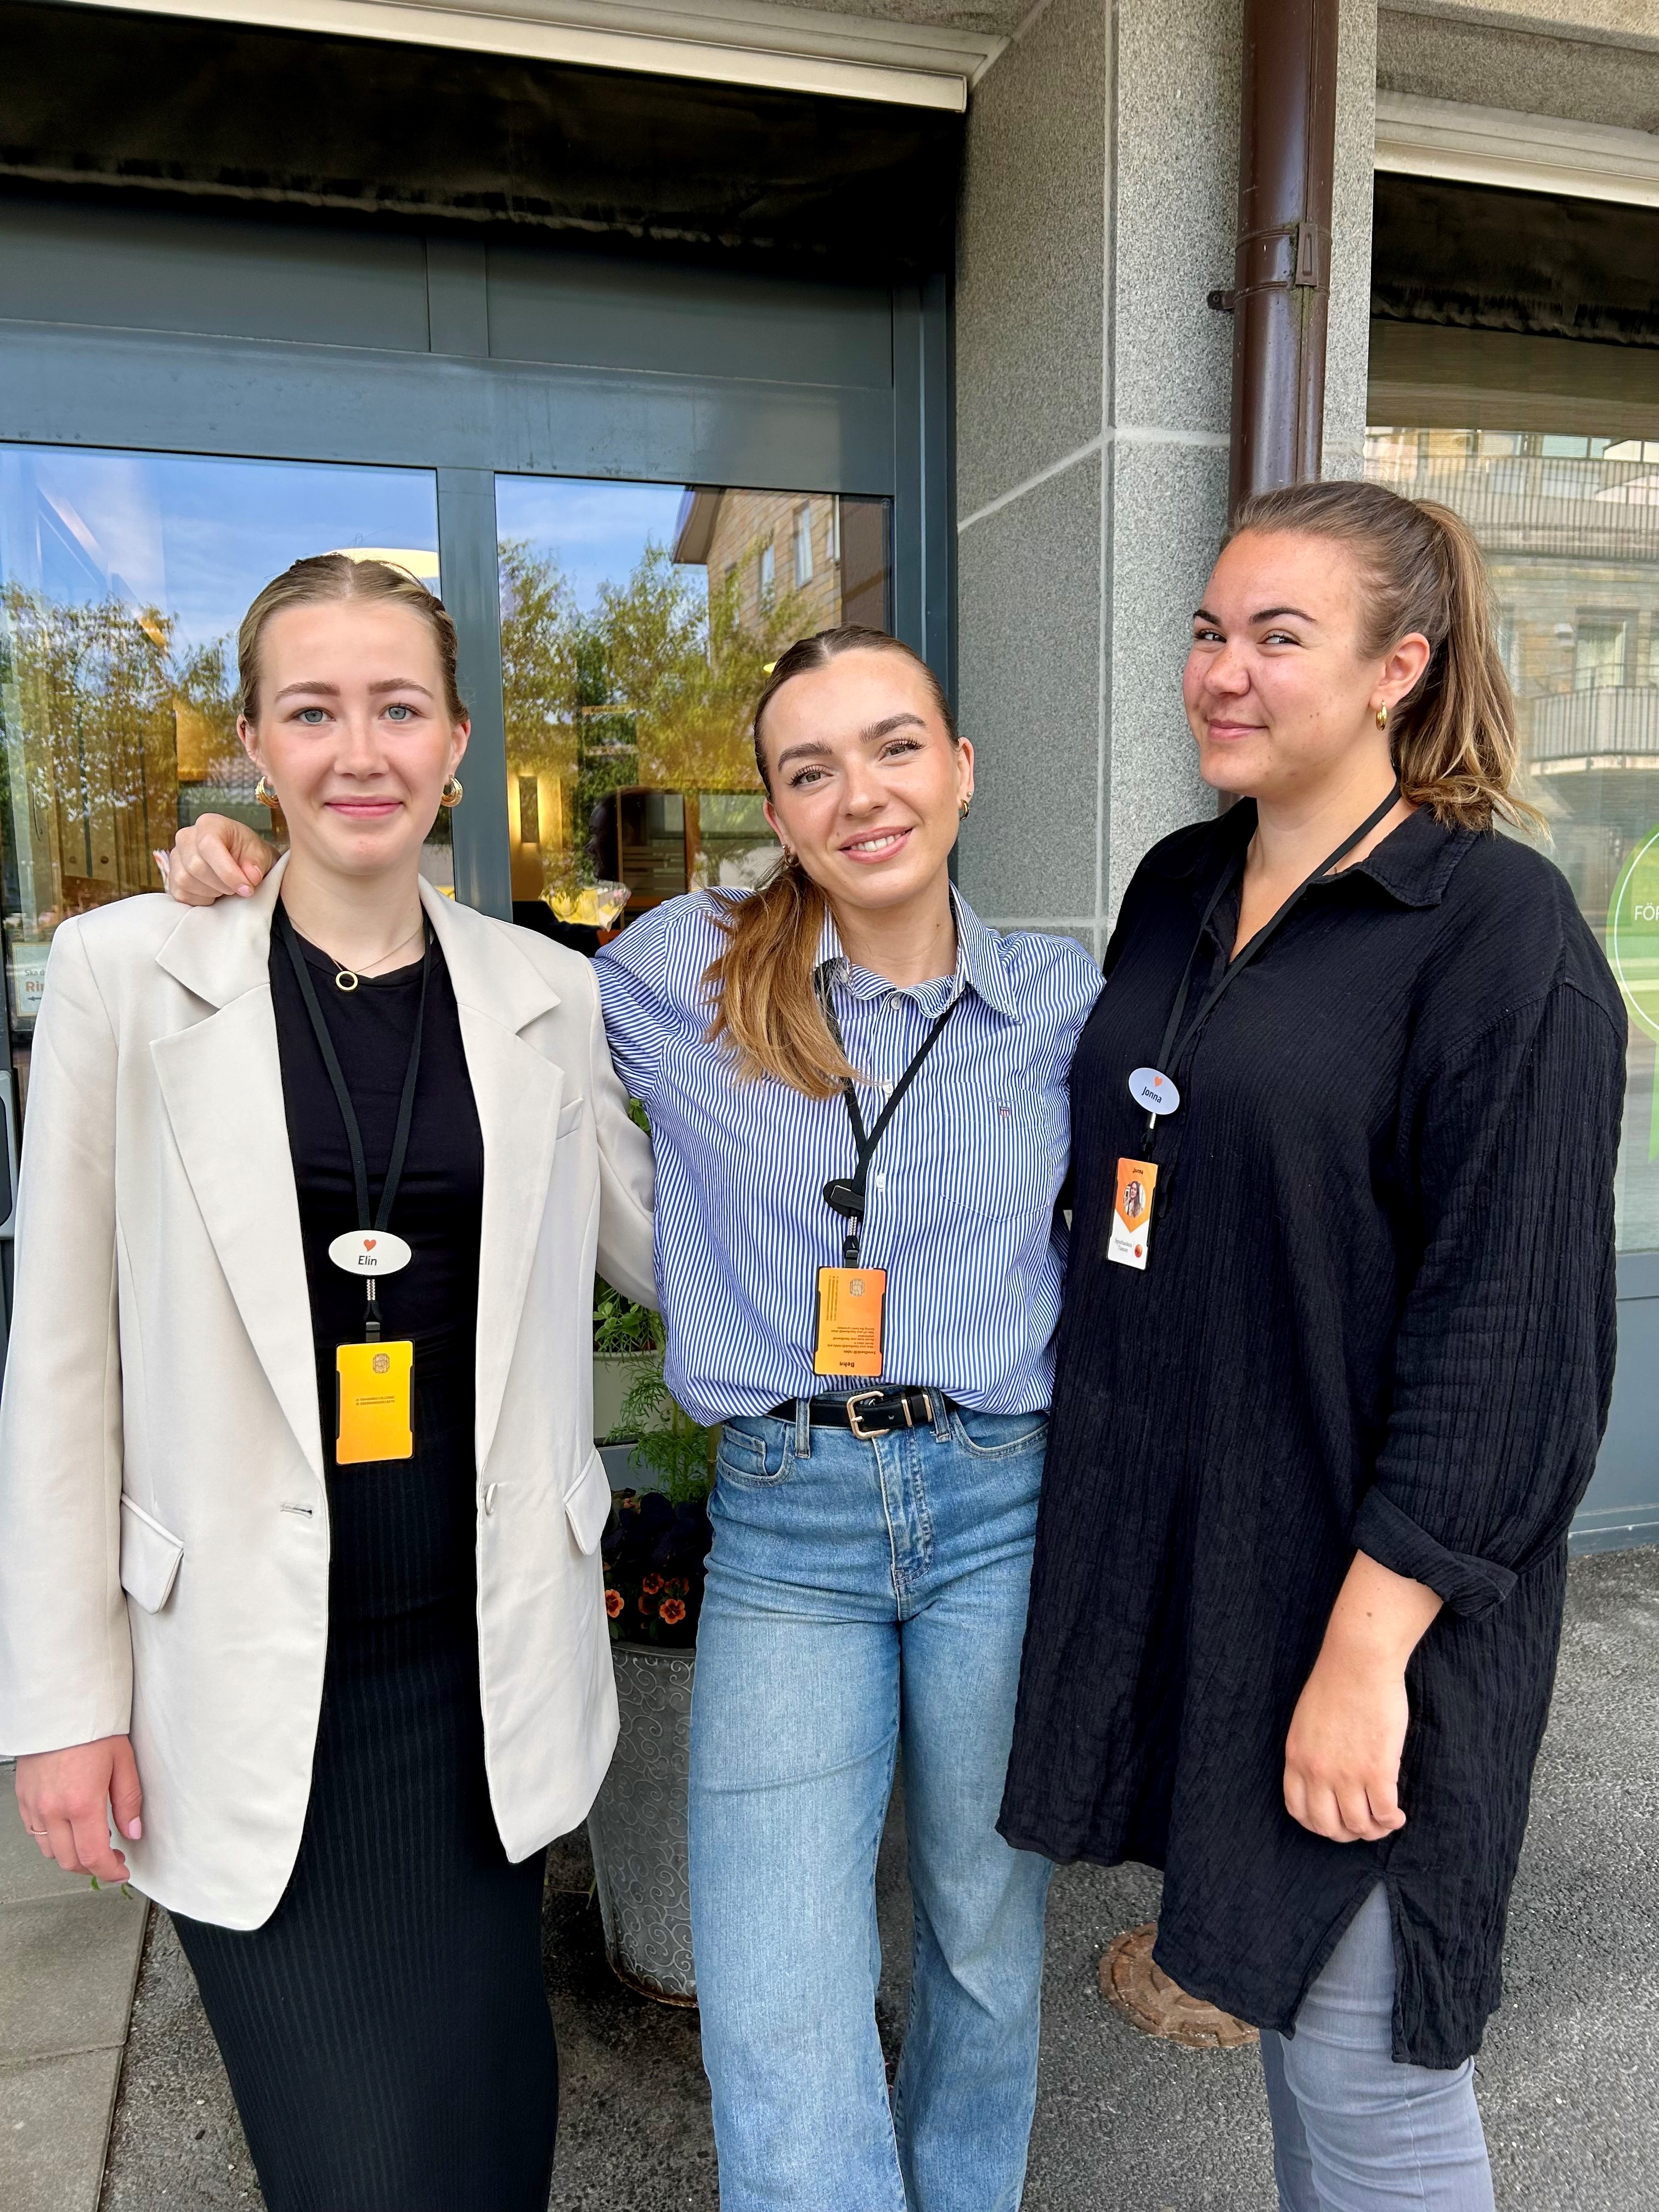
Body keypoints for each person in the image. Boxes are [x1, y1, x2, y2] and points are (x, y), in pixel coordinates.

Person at [156, 622, 1104, 2212]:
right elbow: (446, 979)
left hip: (1004, 1506)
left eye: (892, 748)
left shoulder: (1062, 1003)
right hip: (792, 1522)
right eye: (811, 769)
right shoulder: (674, 972)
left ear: (960, 770)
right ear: (776, 809)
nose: (859, 794)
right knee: (778, 1987)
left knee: (987, 1947)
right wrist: (267, 881)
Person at [1, 555, 655, 2212]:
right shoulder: (129, 975)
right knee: (356, 2168)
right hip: (242, 1671)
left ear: (454, 743)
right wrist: (62, 1700)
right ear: (251, 740)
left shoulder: (548, 993)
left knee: (495, 2141)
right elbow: (63, 1353)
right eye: (313, 710)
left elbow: (673, 1245)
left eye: (397, 708)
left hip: (482, 1667)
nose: (357, 749)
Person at [1000, 480, 1625, 2210]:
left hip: (1372, 1610)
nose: (1223, 672)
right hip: (1203, 1566)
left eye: (1281, 637)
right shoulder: (1183, 882)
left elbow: (1518, 1353)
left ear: (1396, 671)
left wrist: (1366, 1662)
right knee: (1293, 2055)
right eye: (1209, 631)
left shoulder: (1499, 939)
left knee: (1371, 2087)